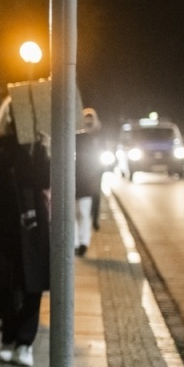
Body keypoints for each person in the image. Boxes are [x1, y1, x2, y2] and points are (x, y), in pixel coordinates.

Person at [0, 98, 51, 367]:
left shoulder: (36, 144)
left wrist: (44, 148)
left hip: (31, 224)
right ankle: (10, 338)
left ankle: (25, 343)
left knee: (32, 284)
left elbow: (44, 180)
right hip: (2, 223)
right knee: (4, 285)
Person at [75, 107, 105, 257]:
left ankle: (83, 242)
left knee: (84, 212)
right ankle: (75, 242)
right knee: (73, 214)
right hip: (74, 180)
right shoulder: (75, 136)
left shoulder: (97, 137)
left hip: (87, 181)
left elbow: (100, 159)